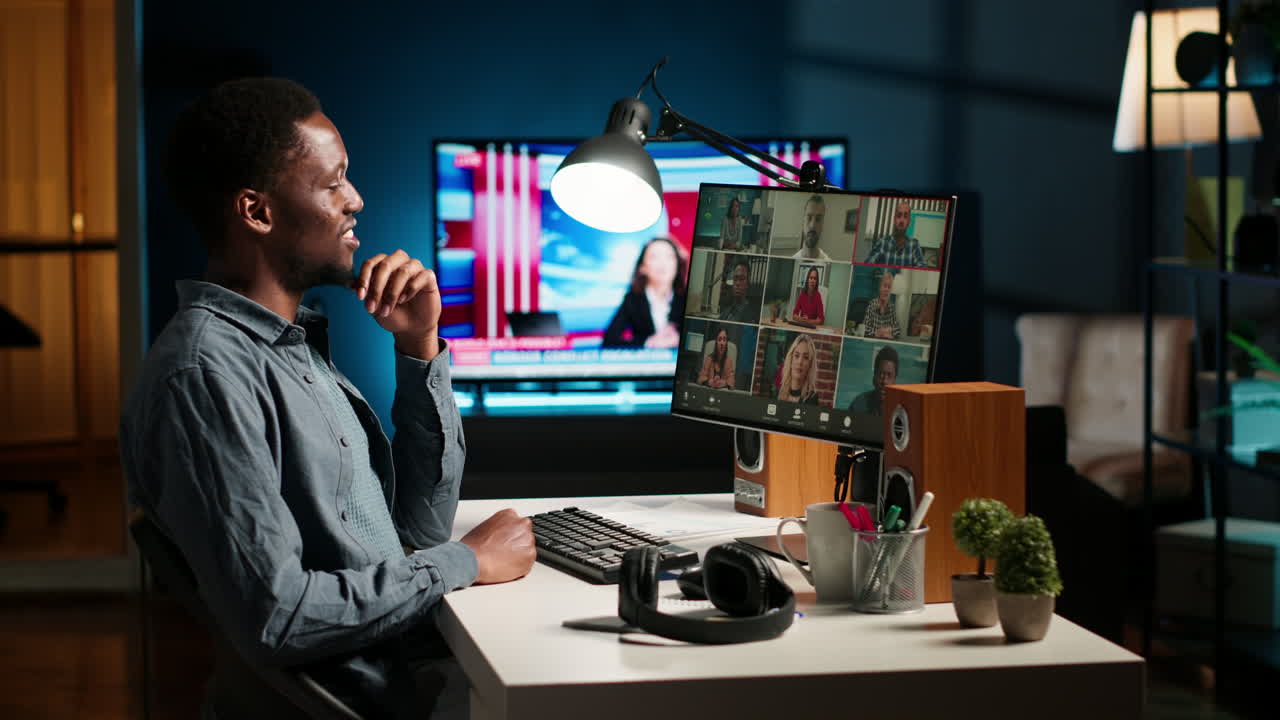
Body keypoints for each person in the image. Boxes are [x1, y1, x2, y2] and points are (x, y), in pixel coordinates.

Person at [119, 78, 535, 719]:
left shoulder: (290, 350)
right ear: (256, 212)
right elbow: (279, 615)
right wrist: (466, 561)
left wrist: (419, 347)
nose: (355, 201)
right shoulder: (205, 376)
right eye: (333, 181)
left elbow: (413, 537)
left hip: (412, 674)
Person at [602, 236, 686, 349]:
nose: (662, 262)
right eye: (654, 257)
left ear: (678, 263)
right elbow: (609, 341)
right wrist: (648, 342)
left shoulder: (687, 298)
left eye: (669, 256)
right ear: (643, 267)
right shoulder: (633, 299)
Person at [863, 199, 928, 268]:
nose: (901, 220)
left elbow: (922, 267)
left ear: (909, 221)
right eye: (899, 216)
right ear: (894, 219)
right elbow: (867, 265)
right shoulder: (883, 242)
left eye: (905, 216)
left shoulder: (914, 244)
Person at [848, 345, 899, 416]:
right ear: (874, 377)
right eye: (881, 374)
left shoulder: (901, 410)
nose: (884, 381)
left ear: (895, 380)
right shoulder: (859, 404)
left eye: (889, 376)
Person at [776, 334, 821, 404]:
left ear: (810, 365)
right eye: (796, 356)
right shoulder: (777, 393)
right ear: (790, 360)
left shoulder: (812, 398)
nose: (800, 362)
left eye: (806, 357)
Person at [861, 268, 901, 339]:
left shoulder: (891, 307)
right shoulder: (872, 305)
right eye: (884, 286)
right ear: (880, 288)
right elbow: (864, 329)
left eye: (889, 287)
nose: (886, 289)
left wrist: (889, 330)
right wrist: (877, 333)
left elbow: (898, 330)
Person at [791, 194, 831, 261]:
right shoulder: (792, 261)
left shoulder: (828, 263)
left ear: (822, 225)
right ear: (803, 222)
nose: (812, 225)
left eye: (818, 219)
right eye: (809, 217)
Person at [696, 324, 736, 389]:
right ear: (716, 342)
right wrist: (708, 382)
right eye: (719, 339)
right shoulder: (709, 358)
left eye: (724, 340)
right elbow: (700, 378)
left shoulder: (729, 361)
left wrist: (725, 383)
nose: (722, 343)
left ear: (726, 343)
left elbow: (732, 381)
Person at [718, 257, 756, 323]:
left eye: (742, 279)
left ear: (748, 283)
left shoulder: (751, 315)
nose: (737, 283)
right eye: (735, 278)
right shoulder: (727, 310)